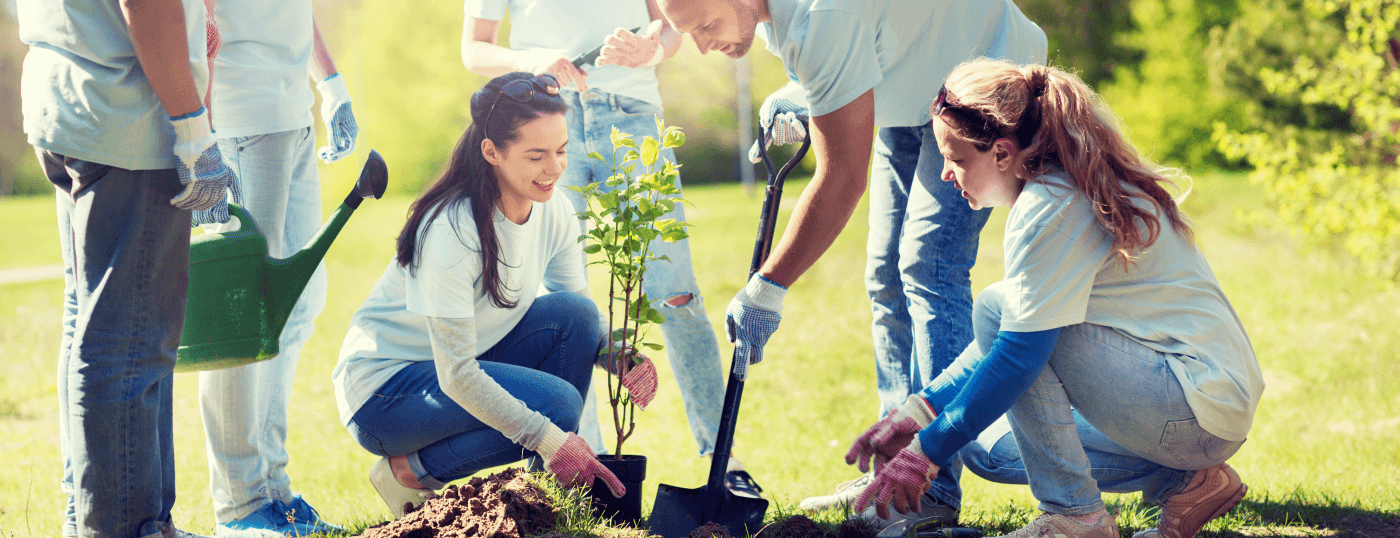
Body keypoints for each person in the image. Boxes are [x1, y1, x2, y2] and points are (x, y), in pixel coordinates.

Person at [655, 0, 1047, 529]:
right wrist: (807, 91)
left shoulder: (825, 16)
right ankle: (889, 472)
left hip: (979, 77)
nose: (702, 47)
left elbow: (842, 178)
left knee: (929, 266)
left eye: (705, 25)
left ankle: (929, 488)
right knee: (886, 276)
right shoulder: (780, 15)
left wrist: (768, 286)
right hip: (910, 85)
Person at [846, 58, 1263, 538]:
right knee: (985, 447)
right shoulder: (1061, 186)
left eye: (956, 159)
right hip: (1192, 409)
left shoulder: (1052, 205)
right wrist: (920, 411)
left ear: (1002, 153)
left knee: (1002, 316)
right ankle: (1191, 482)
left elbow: (1020, 353)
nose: (945, 174)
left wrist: (924, 454)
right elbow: (1006, 344)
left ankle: (1076, 516)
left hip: (1194, 403)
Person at [460, 0, 763, 498]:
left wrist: (651, 49)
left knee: (675, 294)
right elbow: (474, 48)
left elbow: (671, 22)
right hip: (545, 124)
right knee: (559, 306)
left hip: (632, 118)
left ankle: (723, 462)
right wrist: (534, 59)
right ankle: (581, 469)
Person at [331, 73, 638, 519]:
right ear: (491, 151)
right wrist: (550, 437)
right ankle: (412, 471)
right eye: (536, 156)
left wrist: (615, 352)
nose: (554, 168)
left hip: (449, 368)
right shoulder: (452, 229)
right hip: (383, 394)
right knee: (558, 406)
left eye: (561, 151)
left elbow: (576, 310)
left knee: (577, 315)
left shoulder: (553, 209)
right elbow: (457, 375)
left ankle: (541, 499)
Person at [20, 0, 233, 536]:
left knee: (92, 327)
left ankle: (97, 516)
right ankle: (123, 526)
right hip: (127, 121)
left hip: (71, 103)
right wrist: (193, 131)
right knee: (131, 340)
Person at [191, 2, 357, 536]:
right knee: (243, 320)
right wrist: (204, 141)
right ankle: (240, 504)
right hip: (241, 118)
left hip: (291, 115)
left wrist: (330, 83)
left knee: (298, 304)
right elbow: (199, 19)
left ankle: (274, 489)